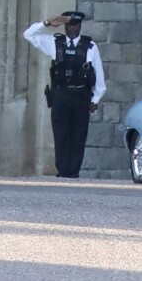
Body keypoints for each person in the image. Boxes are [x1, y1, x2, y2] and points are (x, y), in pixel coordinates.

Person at [23, 11, 106, 178]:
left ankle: (73, 172)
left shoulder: (89, 46)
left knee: (78, 136)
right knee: (60, 134)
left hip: (81, 95)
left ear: (80, 26)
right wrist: (47, 23)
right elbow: (28, 34)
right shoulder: (55, 43)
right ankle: (62, 171)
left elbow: (98, 74)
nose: (71, 28)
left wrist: (96, 98)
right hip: (61, 94)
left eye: (74, 25)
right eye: (68, 25)